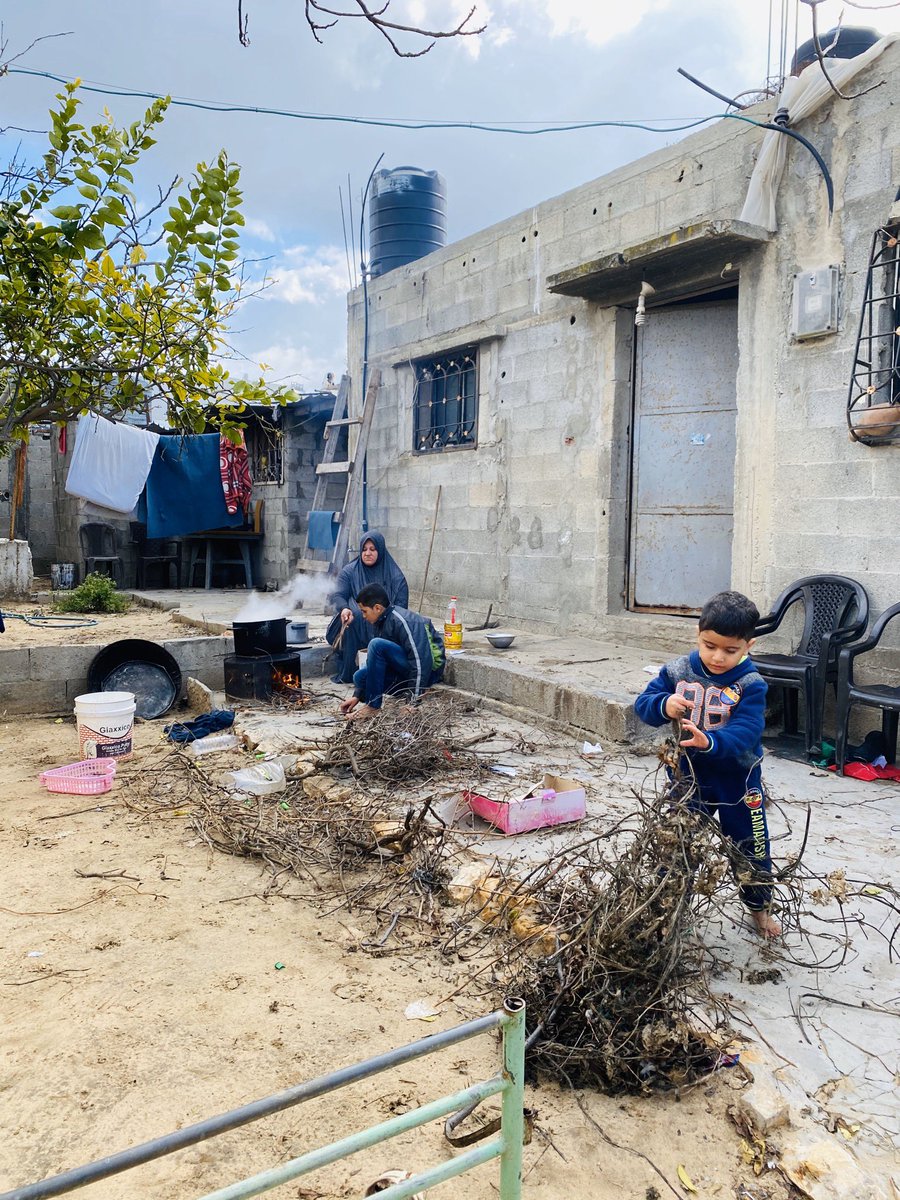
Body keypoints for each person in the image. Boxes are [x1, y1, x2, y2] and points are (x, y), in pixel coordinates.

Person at [634, 590, 781, 939]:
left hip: (738, 781)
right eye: (709, 645)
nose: (717, 657)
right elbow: (643, 704)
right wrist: (664, 704)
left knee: (751, 845)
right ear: (698, 635)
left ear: (748, 646)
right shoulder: (678, 671)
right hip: (689, 779)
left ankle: (759, 908)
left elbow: (747, 730)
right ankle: (666, 908)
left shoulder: (751, 684)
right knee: (677, 844)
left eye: (730, 650)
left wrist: (711, 742)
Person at [339, 584, 443, 721]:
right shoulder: (380, 621)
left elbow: (421, 661)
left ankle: (373, 706)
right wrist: (357, 695)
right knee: (360, 677)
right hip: (403, 673)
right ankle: (371, 702)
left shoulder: (404, 620)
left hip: (427, 674)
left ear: (377, 608)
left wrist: (413, 702)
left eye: (364, 611)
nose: (363, 616)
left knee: (376, 644)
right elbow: (375, 663)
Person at [327, 532, 409, 684]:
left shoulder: (395, 576)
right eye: (364, 549)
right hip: (354, 625)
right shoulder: (350, 571)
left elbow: (401, 606)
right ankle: (350, 670)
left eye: (372, 549)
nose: (367, 553)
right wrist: (344, 609)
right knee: (355, 615)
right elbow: (338, 595)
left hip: (385, 626)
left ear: (380, 550)